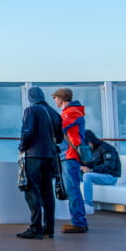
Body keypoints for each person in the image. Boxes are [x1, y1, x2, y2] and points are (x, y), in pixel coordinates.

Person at [16, 86, 63, 239]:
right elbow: (60, 138)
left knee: (31, 191)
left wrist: (22, 147)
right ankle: (49, 228)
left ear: (30, 98)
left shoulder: (31, 111)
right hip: (49, 157)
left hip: (33, 156)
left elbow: (27, 132)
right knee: (47, 193)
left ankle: (35, 228)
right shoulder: (54, 113)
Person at [52, 87, 89, 233]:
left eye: (55, 98)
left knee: (72, 189)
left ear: (60, 98)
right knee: (72, 188)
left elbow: (59, 127)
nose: (54, 101)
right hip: (67, 155)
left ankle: (79, 222)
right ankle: (78, 221)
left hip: (70, 155)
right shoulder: (71, 112)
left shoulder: (72, 112)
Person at [81, 129, 121, 214]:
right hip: (101, 176)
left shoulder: (107, 148)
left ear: (91, 141)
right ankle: (72, 203)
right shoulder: (93, 150)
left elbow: (109, 167)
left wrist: (91, 170)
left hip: (111, 177)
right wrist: (84, 167)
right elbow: (93, 163)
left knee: (87, 176)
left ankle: (89, 205)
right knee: (73, 173)